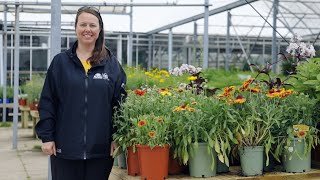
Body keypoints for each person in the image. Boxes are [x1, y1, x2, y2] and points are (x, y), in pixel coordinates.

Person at [35, 6, 127, 180]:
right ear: (75, 28)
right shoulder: (60, 63)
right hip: (65, 150)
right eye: (83, 24)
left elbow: (121, 105)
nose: (87, 29)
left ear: (99, 29)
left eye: (92, 25)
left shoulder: (112, 65)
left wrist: (117, 137)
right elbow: (48, 101)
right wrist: (47, 137)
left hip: (100, 151)